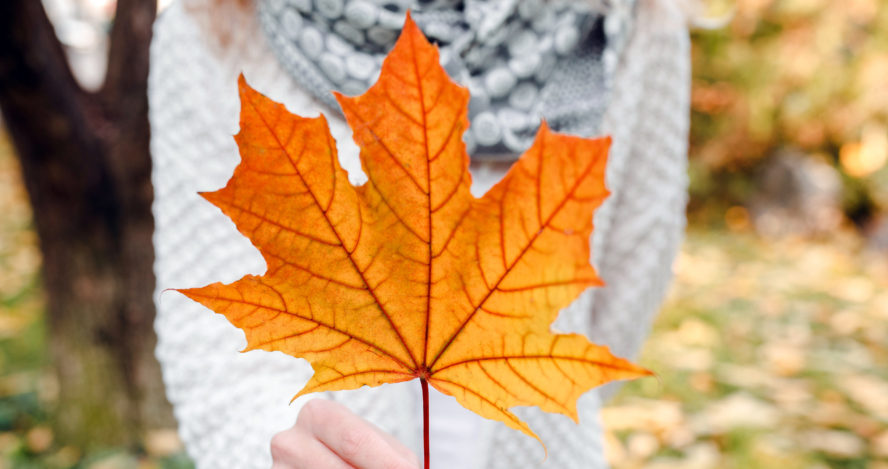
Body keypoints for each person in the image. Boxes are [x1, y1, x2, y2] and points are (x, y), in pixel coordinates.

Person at [149, 0, 690, 467]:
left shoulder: (626, 18)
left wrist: (515, 370)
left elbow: (620, 308)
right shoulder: (216, 18)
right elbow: (212, 349)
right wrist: (273, 453)